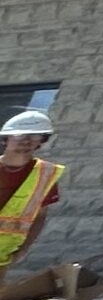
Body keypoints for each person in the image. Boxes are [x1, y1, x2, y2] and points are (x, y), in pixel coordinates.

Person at [0, 110, 65, 282]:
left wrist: (24, 249)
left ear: (42, 142)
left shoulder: (45, 174)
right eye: (19, 135)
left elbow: (40, 216)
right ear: (6, 139)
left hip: (3, 254)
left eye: (36, 137)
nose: (26, 141)